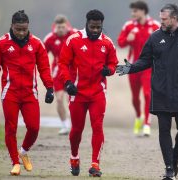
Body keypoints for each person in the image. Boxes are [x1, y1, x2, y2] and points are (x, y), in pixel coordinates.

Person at [116, 4, 178, 180]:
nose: (161, 22)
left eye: (164, 19)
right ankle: (169, 169)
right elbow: (144, 60)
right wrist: (130, 68)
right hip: (161, 91)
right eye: (160, 18)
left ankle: (175, 156)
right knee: (164, 129)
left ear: (174, 18)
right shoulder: (155, 37)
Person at [0, 10, 54, 176]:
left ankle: (22, 152)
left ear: (28, 26)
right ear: (12, 26)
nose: (22, 33)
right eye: (18, 29)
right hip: (10, 93)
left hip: (30, 93)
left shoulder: (37, 44)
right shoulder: (1, 44)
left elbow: (44, 68)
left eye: (24, 29)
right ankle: (15, 162)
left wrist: (49, 88)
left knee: (34, 127)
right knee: (11, 128)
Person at [58, 9, 118, 177]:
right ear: (87, 23)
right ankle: (74, 157)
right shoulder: (74, 40)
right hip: (77, 92)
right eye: (92, 27)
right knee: (77, 129)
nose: (95, 30)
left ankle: (95, 165)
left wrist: (109, 70)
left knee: (97, 126)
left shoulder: (107, 43)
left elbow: (114, 63)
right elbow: (63, 63)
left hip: (98, 92)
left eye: (98, 27)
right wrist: (68, 82)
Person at [117, 1, 160, 136]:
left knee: (147, 94)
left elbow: (163, 44)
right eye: (132, 11)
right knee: (135, 97)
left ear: (143, 11)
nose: (132, 14)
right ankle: (138, 117)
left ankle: (147, 124)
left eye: (135, 11)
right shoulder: (129, 26)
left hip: (148, 67)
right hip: (132, 67)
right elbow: (120, 42)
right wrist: (128, 39)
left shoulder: (155, 26)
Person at [43, 15, 76, 135]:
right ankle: (65, 125)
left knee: (72, 100)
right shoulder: (49, 39)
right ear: (55, 27)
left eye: (63, 27)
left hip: (73, 71)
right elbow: (41, 55)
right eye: (59, 27)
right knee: (59, 98)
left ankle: (75, 125)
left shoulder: (74, 35)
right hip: (58, 71)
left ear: (67, 26)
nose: (61, 29)